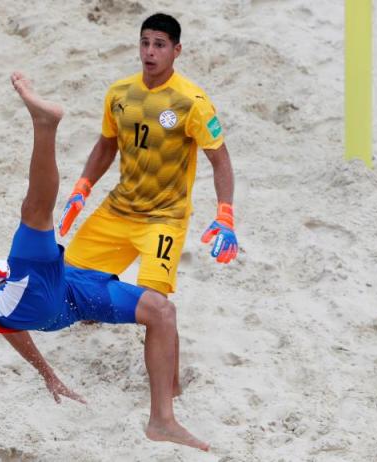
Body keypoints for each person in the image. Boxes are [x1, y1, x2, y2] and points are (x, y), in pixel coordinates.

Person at [0, 72, 209, 451]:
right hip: (27, 298)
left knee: (161, 310)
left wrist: (46, 372)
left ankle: (164, 413)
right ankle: (44, 124)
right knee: (36, 213)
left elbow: (9, 323)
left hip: (54, 301)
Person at [58, 13, 239, 389]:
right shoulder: (120, 93)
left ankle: (170, 388)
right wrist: (82, 187)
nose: (150, 52)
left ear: (176, 50)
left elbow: (220, 159)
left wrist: (225, 214)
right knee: (68, 281)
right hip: (118, 209)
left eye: (159, 45)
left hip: (164, 219)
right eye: (145, 43)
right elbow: (107, 144)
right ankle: (95, 320)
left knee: (155, 308)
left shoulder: (192, 102)